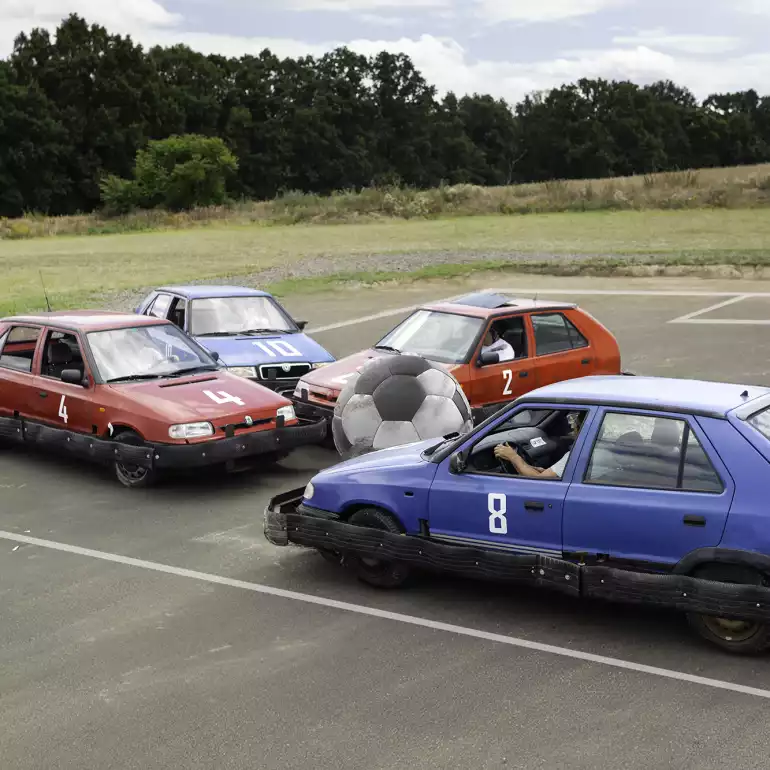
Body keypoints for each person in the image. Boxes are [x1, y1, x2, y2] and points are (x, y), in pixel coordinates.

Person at [493, 411, 583, 479]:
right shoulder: (592, 452)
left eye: (574, 425)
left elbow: (539, 481)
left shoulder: (577, 457)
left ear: (580, 428)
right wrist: (547, 471)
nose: (572, 428)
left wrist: (513, 456)